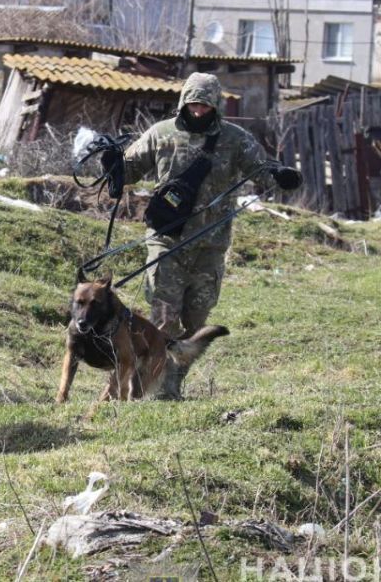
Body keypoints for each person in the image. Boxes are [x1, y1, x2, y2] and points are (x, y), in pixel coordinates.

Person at [116, 72, 301, 399]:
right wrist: (113, 168)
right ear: (183, 102)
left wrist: (281, 177)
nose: (198, 111)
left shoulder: (235, 139)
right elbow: (128, 170)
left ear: (216, 106)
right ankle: (153, 391)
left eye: (204, 105)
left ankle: (171, 384)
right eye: (193, 104)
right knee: (163, 320)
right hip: (167, 242)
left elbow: (261, 171)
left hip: (211, 247)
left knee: (195, 322)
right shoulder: (160, 134)